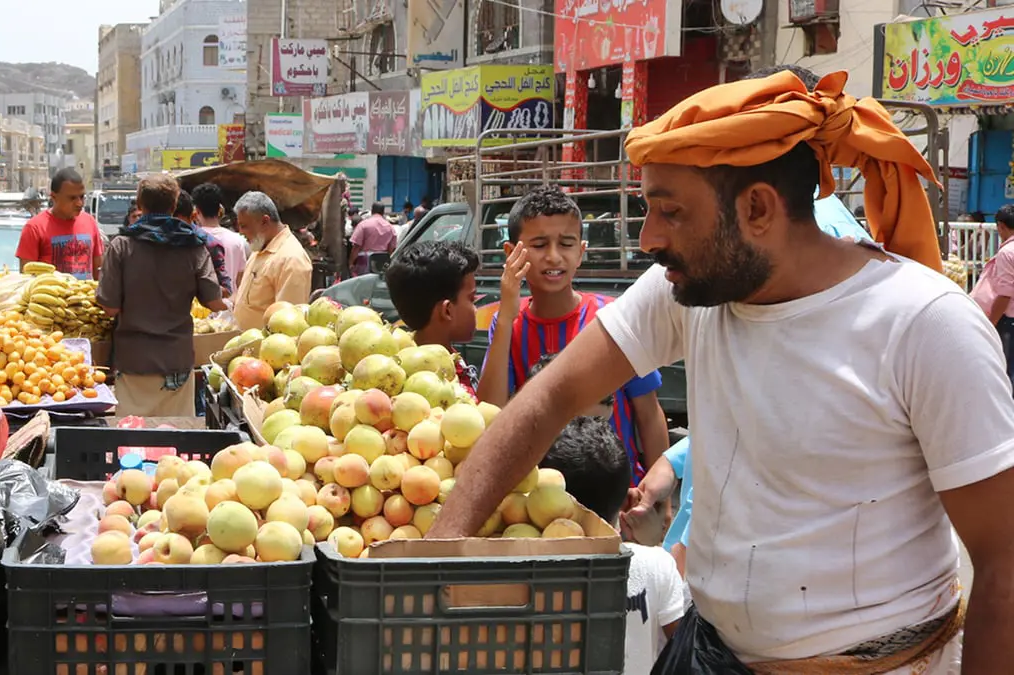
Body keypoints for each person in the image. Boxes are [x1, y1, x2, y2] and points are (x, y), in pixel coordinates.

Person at [429, 69, 1013, 673]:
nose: (649, 238)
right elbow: (546, 401)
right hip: (709, 655)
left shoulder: (924, 324)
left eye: (670, 212)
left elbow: (1004, 564)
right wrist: (432, 560)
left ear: (757, 208)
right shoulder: (685, 290)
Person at [624, 64, 880, 565]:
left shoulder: (786, 251)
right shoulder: (738, 252)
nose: (650, 239)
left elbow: (774, 421)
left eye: (671, 213)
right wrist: (672, 464)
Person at [476, 186, 670, 487]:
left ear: (581, 252)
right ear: (510, 253)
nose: (554, 257)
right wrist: (505, 319)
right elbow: (489, 412)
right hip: (539, 498)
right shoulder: (509, 326)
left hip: (617, 494)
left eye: (565, 244)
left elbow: (649, 412)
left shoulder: (613, 318)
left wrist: (658, 494)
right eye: (539, 245)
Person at [542, 416, 685, 674]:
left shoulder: (528, 566)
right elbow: (682, 648)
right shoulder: (657, 565)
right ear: (626, 500)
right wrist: (653, 543)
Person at [96, 174, 225, 417]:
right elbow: (213, 302)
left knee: (132, 441)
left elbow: (110, 307)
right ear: (175, 205)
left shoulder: (121, 246)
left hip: (134, 361)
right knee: (174, 440)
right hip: (176, 361)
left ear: (140, 205)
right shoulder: (194, 246)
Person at [384, 240, 481, 400]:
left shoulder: (450, 358)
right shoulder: (439, 386)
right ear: (447, 310)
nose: (475, 308)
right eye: (472, 299)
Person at [231, 191, 312, 330]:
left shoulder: (291, 259)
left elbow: (287, 324)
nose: (240, 232)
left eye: (244, 226)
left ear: (264, 221)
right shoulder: (259, 249)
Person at [16, 167, 103, 280]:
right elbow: (26, 276)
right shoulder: (34, 228)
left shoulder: (90, 222)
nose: (79, 203)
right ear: (54, 197)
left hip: (85, 296)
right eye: (72, 198)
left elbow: (99, 270)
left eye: (82, 197)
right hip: (49, 296)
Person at [969, 203, 1014, 380]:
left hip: (1008, 321)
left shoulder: (1006, 253)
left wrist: (991, 322)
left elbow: (1005, 293)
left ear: (1001, 226)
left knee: (1006, 370)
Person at [192, 183, 250, 294]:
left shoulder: (192, 239)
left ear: (197, 211)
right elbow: (240, 280)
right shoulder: (238, 241)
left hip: (198, 309)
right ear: (220, 209)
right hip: (229, 306)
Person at [350, 202, 398, 276]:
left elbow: (356, 246)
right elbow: (391, 250)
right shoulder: (390, 227)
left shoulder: (363, 225)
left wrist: (351, 263)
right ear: (383, 212)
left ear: (372, 211)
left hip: (364, 263)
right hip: (382, 263)